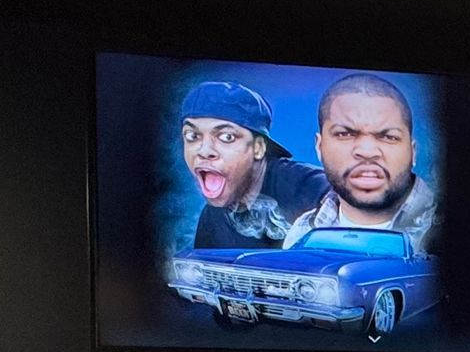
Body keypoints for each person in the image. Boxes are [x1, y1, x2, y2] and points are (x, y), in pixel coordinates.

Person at [284, 73, 437, 248]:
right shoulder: (301, 232)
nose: (367, 152)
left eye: (388, 136)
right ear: (319, 148)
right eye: (345, 134)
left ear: (413, 152)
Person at [178, 81, 328, 251]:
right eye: (192, 136)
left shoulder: (311, 187)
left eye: (227, 137)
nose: (204, 151)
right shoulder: (212, 217)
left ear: (258, 148)